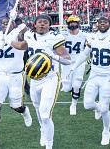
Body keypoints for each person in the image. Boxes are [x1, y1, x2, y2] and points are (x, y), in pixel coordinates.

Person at [70, 16, 110, 146]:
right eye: (100, 22)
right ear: (97, 24)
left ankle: (106, 131)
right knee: (87, 105)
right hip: (94, 76)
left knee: (105, 108)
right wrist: (74, 66)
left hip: (107, 77)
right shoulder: (92, 38)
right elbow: (84, 54)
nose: (102, 24)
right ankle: (97, 107)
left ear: (109, 24)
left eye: (105, 22)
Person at [0, 17, 32, 149]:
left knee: (16, 106)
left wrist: (18, 21)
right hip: (0, 75)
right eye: (3, 23)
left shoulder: (17, 33)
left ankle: (24, 111)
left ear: (12, 23)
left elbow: (24, 44)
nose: (5, 25)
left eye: (7, 22)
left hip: (16, 76)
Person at [23, 15, 70, 149]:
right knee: (37, 108)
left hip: (50, 79)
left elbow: (68, 59)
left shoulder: (54, 38)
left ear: (49, 26)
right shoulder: (30, 36)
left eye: (45, 22)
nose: (42, 24)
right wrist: (8, 40)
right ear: (35, 25)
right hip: (34, 79)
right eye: (40, 22)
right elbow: (21, 45)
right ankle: (43, 130)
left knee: (45, 113)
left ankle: (49, 145)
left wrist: (53, 56)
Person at [60, 15, 88, 116]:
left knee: (76, 85)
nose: (72, 24)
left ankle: (73, 105)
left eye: (74, 22)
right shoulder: (63, 34)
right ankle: (73, 91)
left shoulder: (84, 35)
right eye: (70, 22)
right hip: (66, 63)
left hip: (78, 62)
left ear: (78, 23)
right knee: (67, 88)